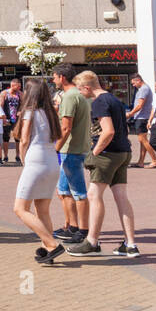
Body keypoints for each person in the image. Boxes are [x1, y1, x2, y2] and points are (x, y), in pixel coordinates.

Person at [65, 70, 139, 257]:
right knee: (121, 196)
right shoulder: (113, 99)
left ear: (87, 87)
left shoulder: (99, 102)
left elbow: (108, 131)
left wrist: (95, 152)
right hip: (123, 151)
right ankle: (130, 244)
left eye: (81, 90)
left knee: (94, 194)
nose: (81, 94)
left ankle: (91, 241)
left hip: (107, 153)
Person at [11, 79, 65, 264]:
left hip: (35, 161)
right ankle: (46, 248)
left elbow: (24, 139)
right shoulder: (50, 113)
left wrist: (22, 157)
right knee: (42, 210)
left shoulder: (29, 112)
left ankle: (51, 244)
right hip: (52, 161)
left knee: (20, 208)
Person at [52, 63, 91, 244]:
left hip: (71, 150)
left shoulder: (69, 97)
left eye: (54, 77)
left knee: (78, 192)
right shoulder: (79, 96)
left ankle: (83, 229)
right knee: (63, 190)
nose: (53, 80)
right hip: (75, 148)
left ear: (62, 77)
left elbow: (66, 127)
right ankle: (73, 226)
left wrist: (56, 148)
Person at [127, 75, 156, 168]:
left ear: (138, 80)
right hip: (142, 117)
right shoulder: (144, 88)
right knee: (142, 141)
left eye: (133, 83)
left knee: (142, 139)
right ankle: (141, 161)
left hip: (142, 117)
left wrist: (130, 114)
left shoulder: (143, 89)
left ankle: (155, 160)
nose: (133, 85)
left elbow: (140, 105)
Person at [0, 79, 23, 164]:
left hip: (17, 119)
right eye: (18, 86)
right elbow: (0, 106)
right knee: (6, 138)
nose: (20, 88)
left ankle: (18, 155)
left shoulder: (20, 94)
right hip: (7, 118)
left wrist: (20, 110)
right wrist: (3, 118)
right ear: (13, 85)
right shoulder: (4, 93)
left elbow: (23, 104)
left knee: (17, 138)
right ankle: (5, 156)